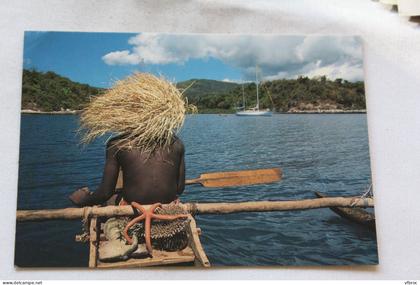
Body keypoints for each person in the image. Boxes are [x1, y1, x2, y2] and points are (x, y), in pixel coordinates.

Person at [68, 73, 193, 207]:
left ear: (128, 115)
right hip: (167, 207)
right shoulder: (177, 143)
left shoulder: (117, 144)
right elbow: (179, 189)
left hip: (134, 210)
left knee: (111, 200)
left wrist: (83, 201)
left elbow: (105, 193)